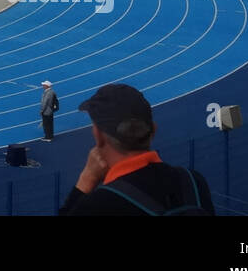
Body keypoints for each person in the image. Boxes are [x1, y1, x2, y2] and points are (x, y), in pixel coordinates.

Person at [59, 83, 215, 216]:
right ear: (153, 131)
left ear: (98, 136)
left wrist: (86, 180)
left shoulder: (98, 205)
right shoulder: (192, 182)